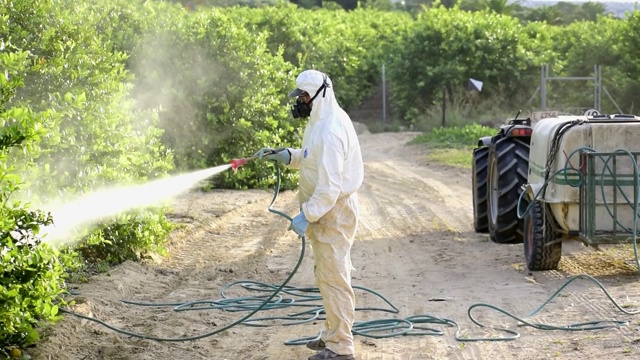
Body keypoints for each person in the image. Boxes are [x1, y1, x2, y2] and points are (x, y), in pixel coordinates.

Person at [255, 69, 364, 360]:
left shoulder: (331, 130)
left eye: (305, 96)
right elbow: (310, 157)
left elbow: (330, 187)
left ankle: (341, 347)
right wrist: (287, 155)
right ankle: (332, 334)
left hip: (333, 211)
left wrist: (307, 214)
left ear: (321, 94)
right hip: (326, 211)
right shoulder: (319, 123)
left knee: (334, 276)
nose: (301, 101)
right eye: (300, 95)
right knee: (326, 274)